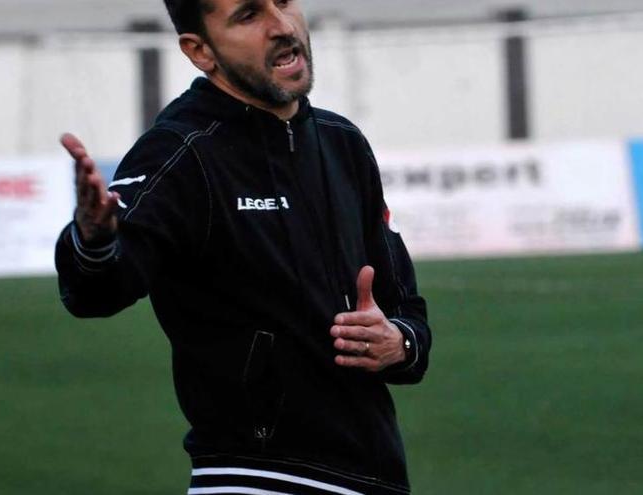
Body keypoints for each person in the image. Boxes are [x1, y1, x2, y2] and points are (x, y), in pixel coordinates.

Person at [54, 0, 431, 493]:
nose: (281, 25)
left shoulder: (343, 144)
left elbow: (408, 314)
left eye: (284, 2)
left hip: (372, 475)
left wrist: (398, 341)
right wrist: (95, 239)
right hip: (255, 477)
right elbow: (96, 291)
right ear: (200, 51)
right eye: (249, 15)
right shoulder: (184, 152)